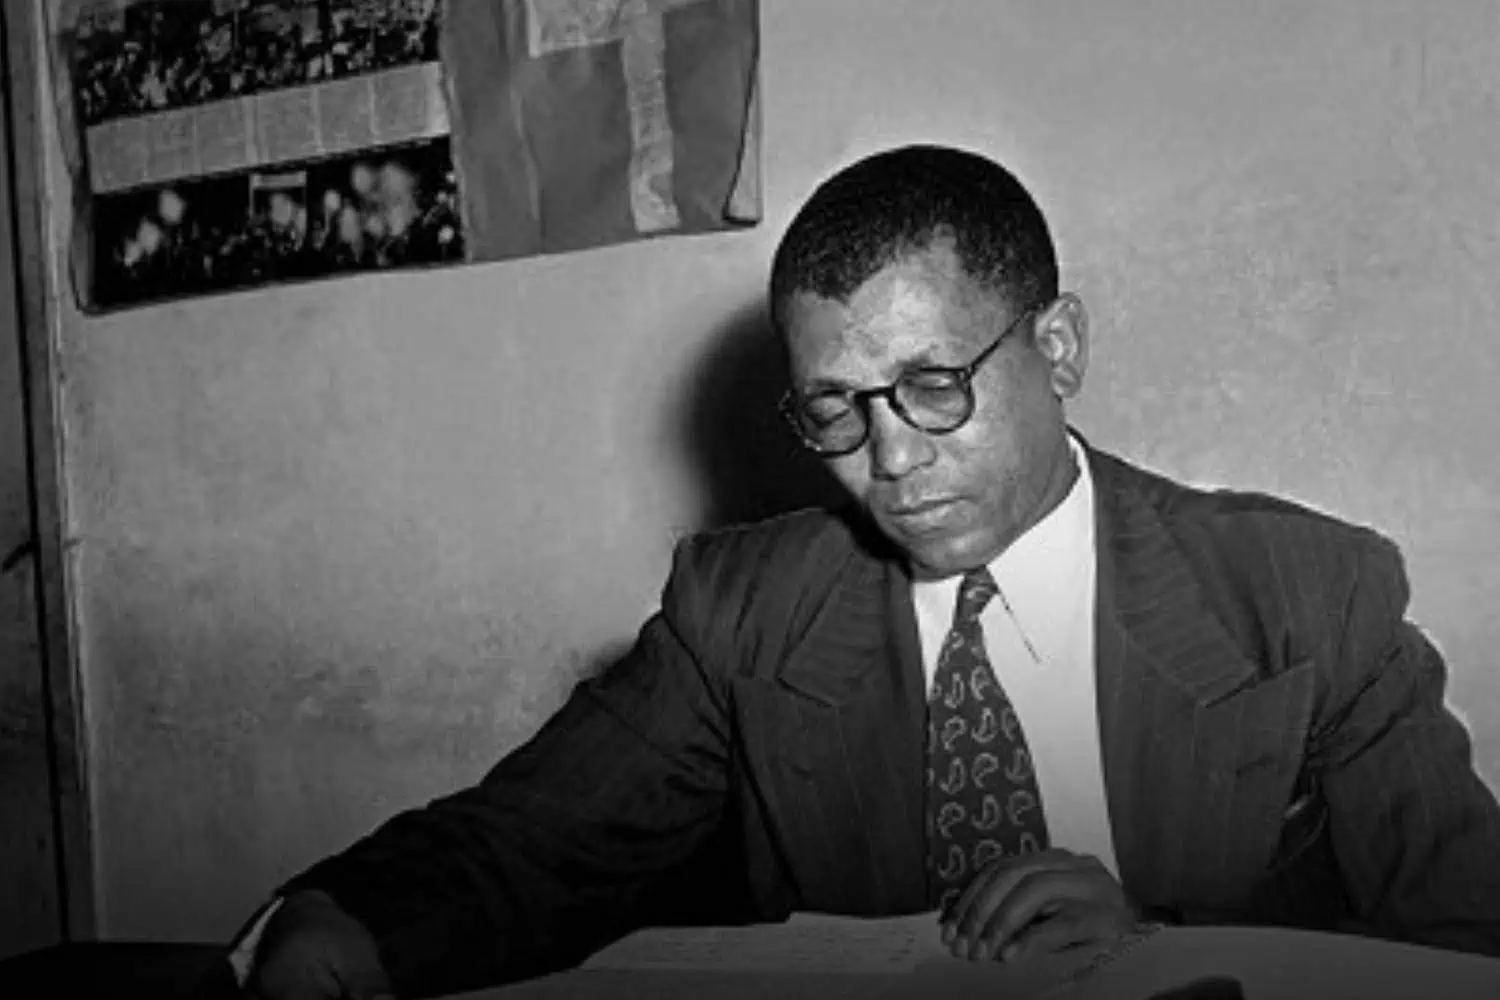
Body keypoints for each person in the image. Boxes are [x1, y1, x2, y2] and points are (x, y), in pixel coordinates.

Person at [233, 145, 1500, 1000]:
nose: (888, 460)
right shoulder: (742, 613)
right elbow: (530, 843)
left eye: (934, 385)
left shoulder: (1309, 595)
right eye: (835, 410)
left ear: (1059, 347)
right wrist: (344, 921)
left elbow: (1464, 944)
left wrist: (1164, 956)